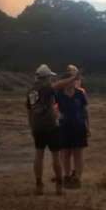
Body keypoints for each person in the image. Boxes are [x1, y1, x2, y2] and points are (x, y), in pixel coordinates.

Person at [26, 64, 78, 195]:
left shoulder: (31, 90)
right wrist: (74, 77)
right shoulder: (47, 87)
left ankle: (39, 184)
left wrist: (32, 126)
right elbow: (59, 84)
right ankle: (59, 186)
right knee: (56, 156)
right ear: (46, 77)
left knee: (39, 155)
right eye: (50, 77)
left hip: (37, 126)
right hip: (50, 126)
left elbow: (29, 110)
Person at [56, 65, 90, 189]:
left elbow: (85, 111)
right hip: (64, 127)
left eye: (74, 80)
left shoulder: (80, 94)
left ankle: (77, 178)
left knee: (78, 153)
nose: (73, 82)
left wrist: (88, 126)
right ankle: (67, 176)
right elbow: (52, 107)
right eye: (70, 80)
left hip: (79, 126)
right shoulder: (58, 94)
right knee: (65, 153)